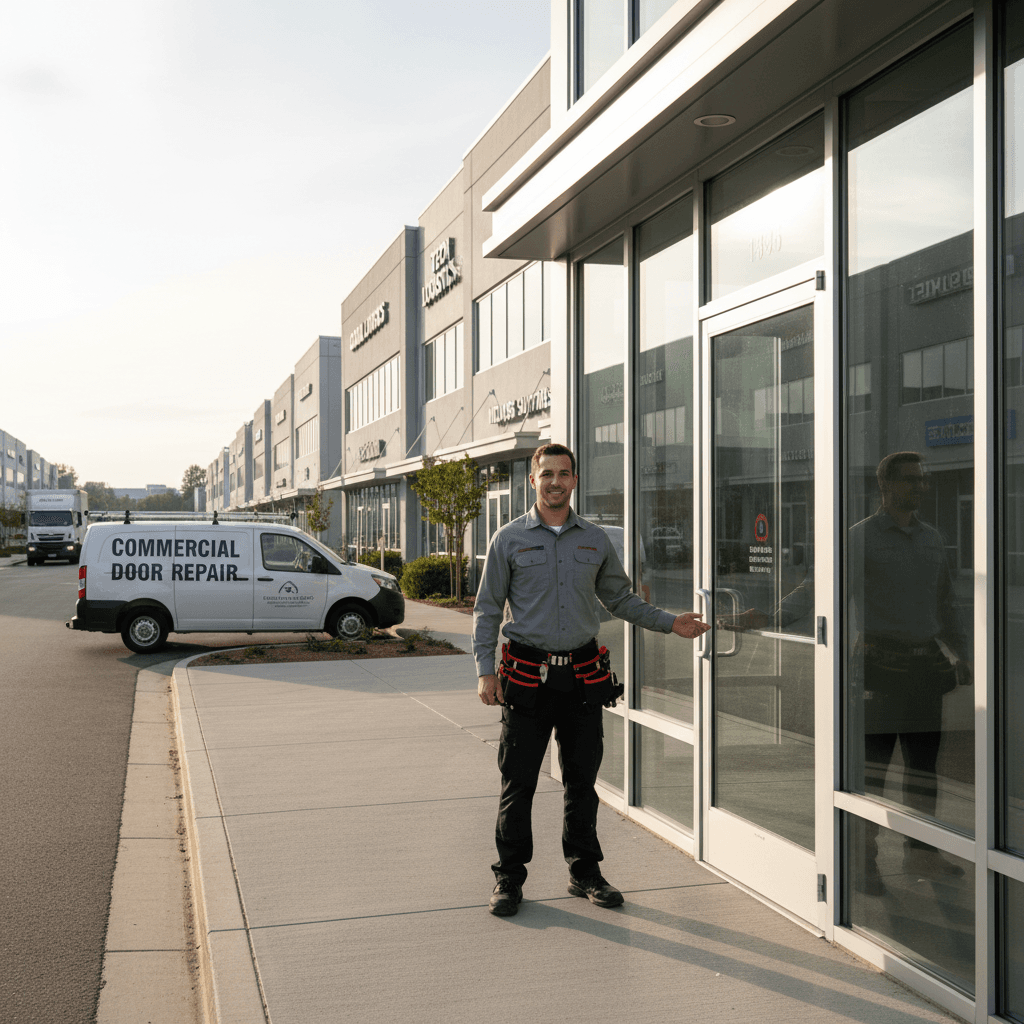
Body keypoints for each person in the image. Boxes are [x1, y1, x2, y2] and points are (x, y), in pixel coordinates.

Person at [473, 443, 710, 917]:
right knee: (517, 784)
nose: (555, 482)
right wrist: (484, 670)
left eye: (564, 474)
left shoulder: (596, 540)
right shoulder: (508, 539)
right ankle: (508, 879)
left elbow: (621, 601)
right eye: (547, 475)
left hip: (581, 678)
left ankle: (584, 873)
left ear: (575, 480)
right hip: (525, 677)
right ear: (533, 481)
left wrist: (669, 622)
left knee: (582, 783)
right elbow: (486, 609)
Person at [848, 451, 972, 892]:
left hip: (923, 670)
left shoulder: (933, 539)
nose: (920, 486)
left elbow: (947, 604)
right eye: (910, 480)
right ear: (886, 487)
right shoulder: (859, 538)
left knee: (923, 769)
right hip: (879, 670)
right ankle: (864, 861)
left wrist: (966, 653)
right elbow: (819, 589)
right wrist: (766, 617)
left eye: (923, 479)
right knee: (873, 771)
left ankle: (922, 854)